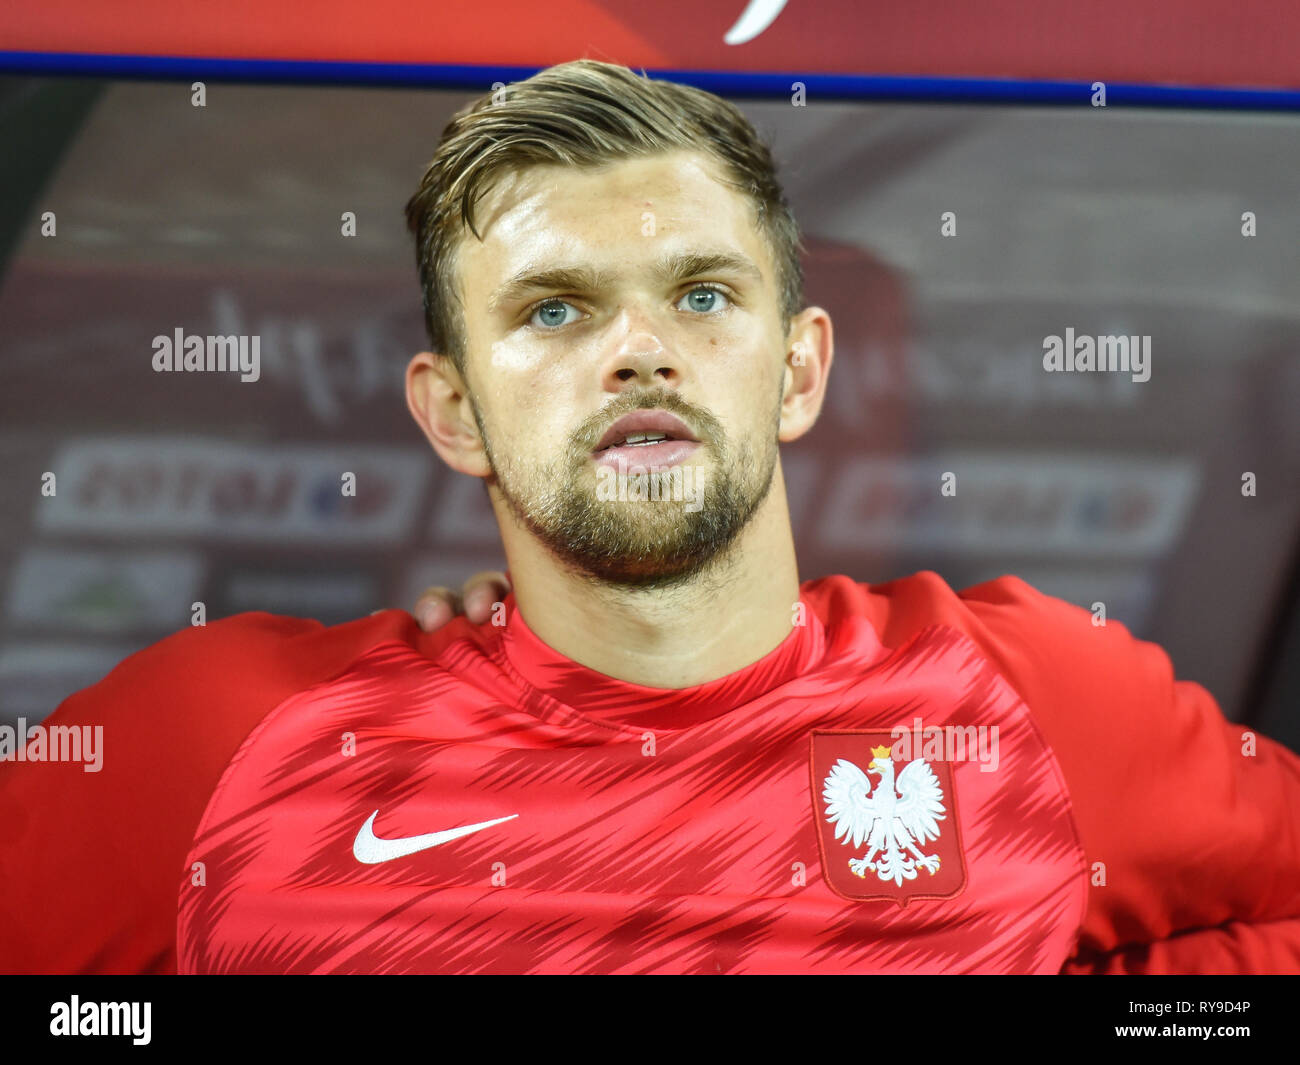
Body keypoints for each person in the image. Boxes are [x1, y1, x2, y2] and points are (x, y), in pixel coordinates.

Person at [2, 59, 1298, 975]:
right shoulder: (211, 741)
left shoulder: (1037, 705)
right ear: (453, 411)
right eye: (555, 308)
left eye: (700, 294)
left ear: (797, 371)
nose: (639, 351)